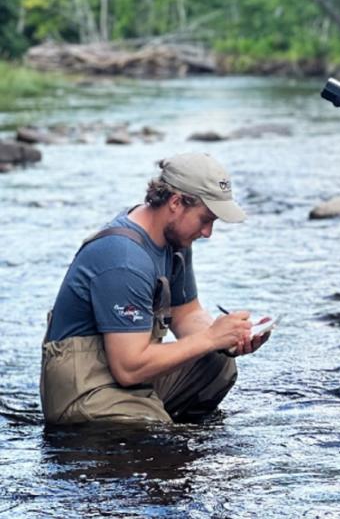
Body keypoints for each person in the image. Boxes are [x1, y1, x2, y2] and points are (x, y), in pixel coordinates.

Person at [41, 152, 269, 424]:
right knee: (151, 429)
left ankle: (171, 426)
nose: (208, 232)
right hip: (84, 388)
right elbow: (128, 368)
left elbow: (187, 315)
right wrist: (210, 338)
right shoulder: (123, 259)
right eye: (205, 219)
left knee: (217, 362)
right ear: (175, 202)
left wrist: (230, 339)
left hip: (122, 366)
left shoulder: (175, 241)